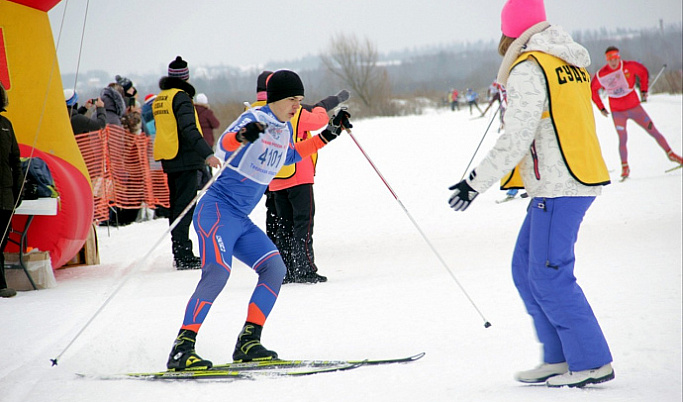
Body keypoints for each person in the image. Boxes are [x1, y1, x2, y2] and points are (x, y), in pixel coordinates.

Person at [448, 0, 615, 388]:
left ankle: (590, 360)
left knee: (548, 275)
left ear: (511, 34)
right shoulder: (567, 62)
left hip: (560, 185)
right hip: (569, 178)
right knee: (526, 270)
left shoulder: (529, 67)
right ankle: (558, 357)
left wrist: (474, 182)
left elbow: (517, 137)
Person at [166, 69, 351, 370]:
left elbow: (289, 156)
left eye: (300, 100)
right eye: (293, 100)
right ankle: (182, 347)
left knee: (275, 268)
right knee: (217, 273)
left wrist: (329, 134)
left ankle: (249, 342)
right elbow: (224, 144)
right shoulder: (257, 118)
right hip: (217, 211)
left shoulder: (283, 127)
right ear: (277, 98)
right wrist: (242, 136)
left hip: (239, 218)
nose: (297, 106)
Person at [270, 87, 350, 284]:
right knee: (303, 224)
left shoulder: (266, 113)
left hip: (275, 177)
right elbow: (320, 120)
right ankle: (305, 268)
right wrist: (326, 109)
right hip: (299, 175)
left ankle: (286, 269)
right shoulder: (297, 113)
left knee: (284, 226)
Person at [153, 56, 220, 270]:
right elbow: (189, 128)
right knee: (185, 207)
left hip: (169, 156)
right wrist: (207, 153)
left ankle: (180, 252)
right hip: (186, 158)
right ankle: (184, 255)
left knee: (177, 207)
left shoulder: (161, 98)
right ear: (186, 77)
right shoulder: (181, 98)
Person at [590, 46, 683, 179]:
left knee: (653, 131)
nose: (613, 62)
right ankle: (625, 168)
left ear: (619, 57)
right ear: (607, 60)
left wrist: (644, 90)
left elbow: (643, 72)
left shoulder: (629, 66)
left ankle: (672, 155)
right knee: (622, 138)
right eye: (610, 59)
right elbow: (592, 90)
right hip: (618, 113)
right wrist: (601, 107)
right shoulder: (602, 74)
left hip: (635, 108)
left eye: (615, 58)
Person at [0, 82, 23, 298]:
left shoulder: (6, 124)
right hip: (5, 192)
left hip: (5, 192)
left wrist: (18, 189)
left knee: (2, 236)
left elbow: (15, 160)